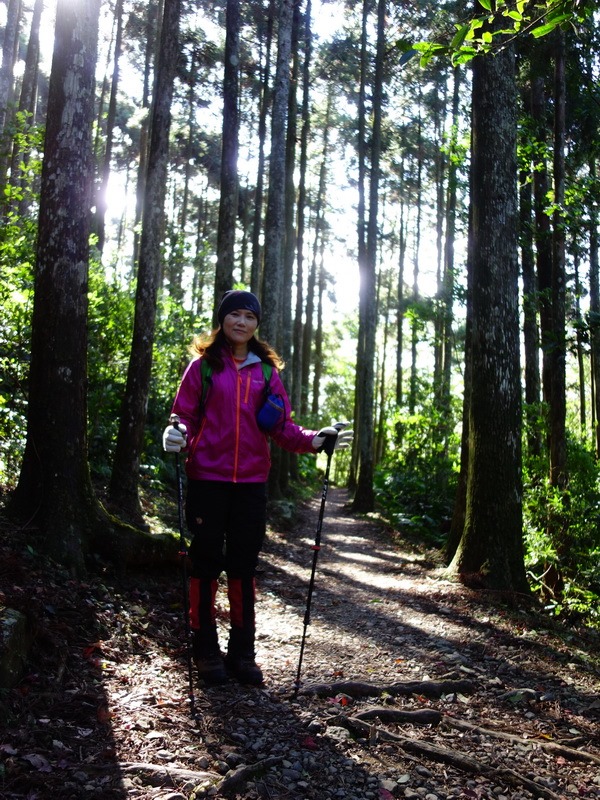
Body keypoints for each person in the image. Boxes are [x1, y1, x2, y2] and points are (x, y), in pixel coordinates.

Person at [162, 289, 352, 687]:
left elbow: (281, 427)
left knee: (244, 566)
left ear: (256, 325)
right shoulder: (202, 368)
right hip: (207, 479)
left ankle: (242, 652)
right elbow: (184, 415)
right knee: (205, 562)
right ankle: (205, 649)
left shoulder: (266, 373)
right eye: (235, 315)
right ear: (223, 320)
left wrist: (316, 439)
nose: (242, 322)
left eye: (249, 316)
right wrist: (176, 432)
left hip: (251, 483)